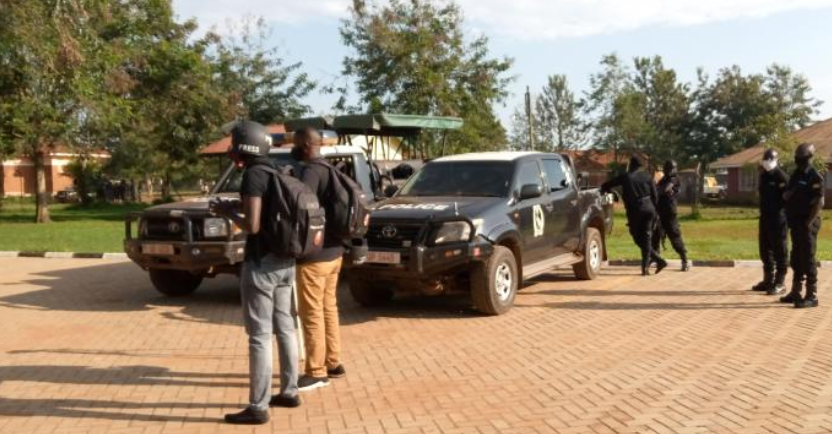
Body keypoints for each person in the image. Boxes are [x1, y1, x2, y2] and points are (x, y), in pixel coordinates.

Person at [213, 121, 301, 425]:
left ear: (243, 146)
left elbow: (251, 225)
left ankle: (258, 406)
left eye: (234, 143)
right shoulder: (276, 170)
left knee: (259, 337)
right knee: (286, 328)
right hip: (286, 261)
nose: (231, 148)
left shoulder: (252, 175)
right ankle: (289, 391)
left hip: (262, 263)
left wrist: (228, 213)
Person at [291, 127, 347, 391]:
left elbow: (303, 209)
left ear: (303, 146)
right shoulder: (330, 168)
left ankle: (316, 371)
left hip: (315, 256)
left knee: (311, 313)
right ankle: (333, 362)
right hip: (336, 253)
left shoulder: (311, 171)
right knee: (328, 309)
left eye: (294, 143)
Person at [601, 156, 668, 276]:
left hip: (636, 210)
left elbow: (606, 185)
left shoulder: (626, 177)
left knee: (638, 237)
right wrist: (655, 210)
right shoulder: (647, 176)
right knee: (646, 237)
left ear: (631, 165)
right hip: (650, 209)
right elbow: (655, 195)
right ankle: (645, 267)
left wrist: (612, 192)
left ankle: (658, 260)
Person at [780, 143, 825, 309]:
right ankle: (795, 292)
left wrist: (808, 222)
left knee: (808, 257)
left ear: (809, 157)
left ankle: (811, 295)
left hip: (808, 223)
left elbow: (819, 202)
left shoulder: (814, 176)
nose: (798, 159)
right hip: (796, 221)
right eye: (797, 156)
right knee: (796, 256)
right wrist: (787, 194)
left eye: (802, 157)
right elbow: (788, 193)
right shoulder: (796, 174)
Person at [752, 149, 789, 295]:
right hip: (765, 217)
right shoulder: (764, 176)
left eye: (770, 158)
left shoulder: (782, 177)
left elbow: (789, 199)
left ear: (776, 159)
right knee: (765, 250)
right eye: (765, 159)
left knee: (780, 250)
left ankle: (780, 282)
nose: (767, 161)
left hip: (778, 218)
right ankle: (768, 280)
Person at [652, 160, 690, 271]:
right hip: (659, 213)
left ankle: (685, 260)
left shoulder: (675, 179)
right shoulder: (663, 179)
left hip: (669, 214)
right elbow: (656, 191)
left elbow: (663, 190)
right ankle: (657, 259)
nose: (667, 170)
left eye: (669, 168)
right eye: (666, 168)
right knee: (655, 236)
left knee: (675, 237)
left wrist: (656, 189)